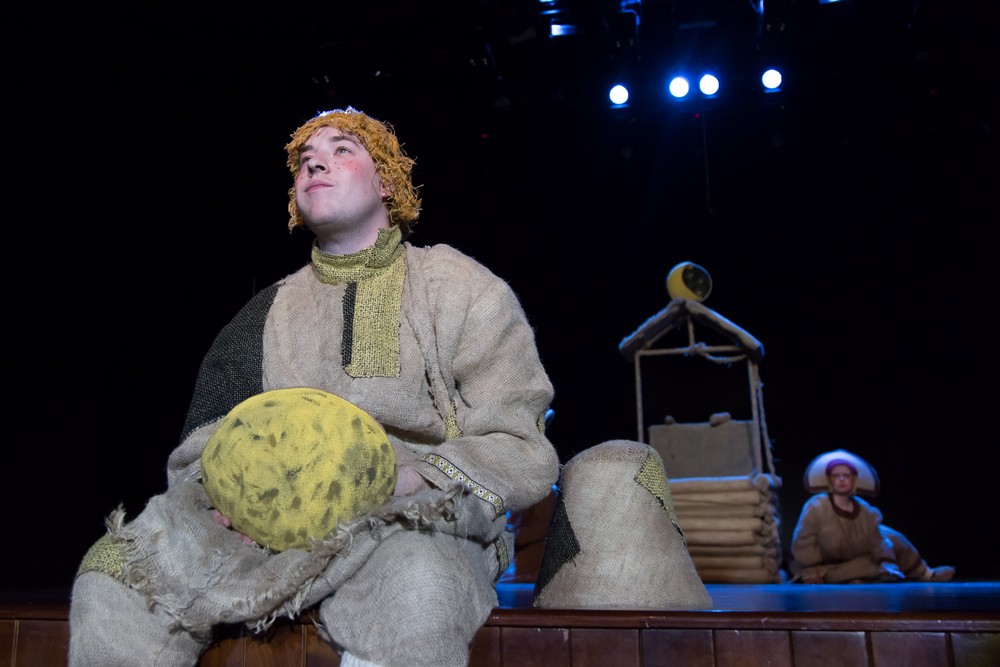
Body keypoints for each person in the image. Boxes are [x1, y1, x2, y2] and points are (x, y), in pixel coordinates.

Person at [68, 107, 561, 667]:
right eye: (306, 159)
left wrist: (408, 479)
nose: (315, 164)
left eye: (342, 150)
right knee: (116, 572)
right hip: (269, 529)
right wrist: (232, 494)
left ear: (386, 182)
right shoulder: (265, 313)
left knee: (418, 584)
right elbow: (205, 440)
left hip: (414, 518)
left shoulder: (460, 287)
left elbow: (518, 444)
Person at [789, 449, 955, 584]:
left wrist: (886, 561)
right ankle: (864, 576)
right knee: (867, 568)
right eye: (836, 475)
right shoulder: (817, 507)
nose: (841, 479)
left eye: (846, 475)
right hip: (828, 568)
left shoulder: (865, 510)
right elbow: (803, 542)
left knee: (891, 536)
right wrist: (811, 571)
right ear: (829, 480)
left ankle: (924, 573)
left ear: (854, 480)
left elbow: (878, 540)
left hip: (860, 559)